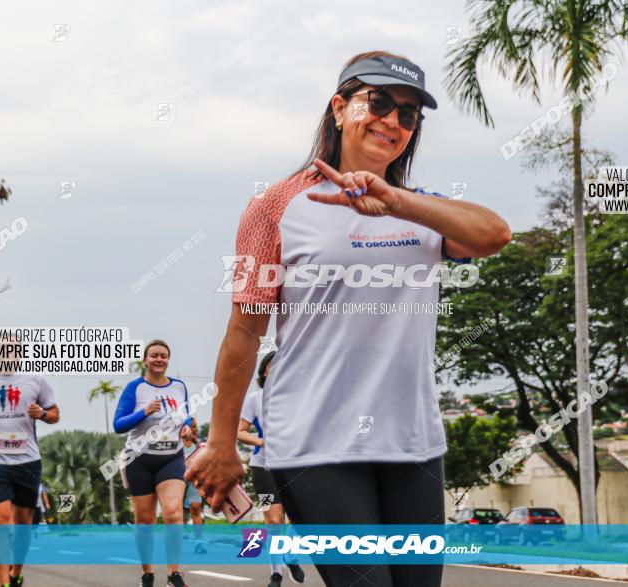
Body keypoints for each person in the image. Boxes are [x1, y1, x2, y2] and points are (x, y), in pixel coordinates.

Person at [186, 50, 511, 587]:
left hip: (413, 443)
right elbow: (245, 330)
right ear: (339, 107)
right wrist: (221, 442)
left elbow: (494, 234)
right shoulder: (276, 207)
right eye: (378, 103)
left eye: (409, 115)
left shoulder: (422, 211)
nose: (393, 121)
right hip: (315, 441)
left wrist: (398, 202)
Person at [0, 361, 60, 587]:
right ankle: (4, 584)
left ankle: (16, 574)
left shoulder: (35, 380)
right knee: (0, 521)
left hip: (27, 460)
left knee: (23, 526)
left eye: (14, 349)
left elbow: (55, 414)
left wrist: (42, 413)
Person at [113, 339, 192, 587]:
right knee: (145, 520)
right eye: (155, 355)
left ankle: (173, 574)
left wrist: (188, 427)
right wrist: (144, 412)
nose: (160, 359)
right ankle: (147, 573)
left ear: (168, 360)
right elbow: (118, 425)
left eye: (164, 356)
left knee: (173, 513)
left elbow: (185, 416)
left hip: (171, 457)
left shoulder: (179, 387)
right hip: (140, 460)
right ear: (145, 360)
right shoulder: (135, 388)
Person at [238, 351, 304, 587]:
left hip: (295, 466)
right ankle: (276, 574)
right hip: (262, 469)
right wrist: (260, 441)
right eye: (271, 365)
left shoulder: (299, 396)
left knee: (300, 517)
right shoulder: (255, 399)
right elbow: (241, 431)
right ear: (264, 371)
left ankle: (290, 555)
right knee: (273, 519)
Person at [180, 421, 206, 555]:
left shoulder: (198, 445)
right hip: (177, 480)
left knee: (195, 507)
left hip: (193, 481)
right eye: (192, 427)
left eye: (196, 427)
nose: (194, 429)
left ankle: (199, 542)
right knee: (176, 510)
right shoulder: (176, 443)